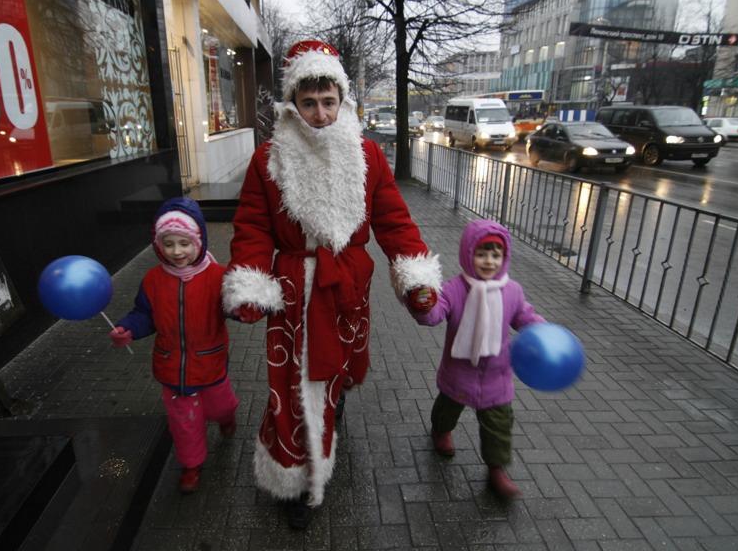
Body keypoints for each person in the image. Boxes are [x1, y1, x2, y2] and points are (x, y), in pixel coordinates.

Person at [222, 39, 441, 529]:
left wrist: (413, 276)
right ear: (292, 104)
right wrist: (251, 282)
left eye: (328, 102)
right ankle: (294, 478)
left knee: (337, 367)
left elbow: (394, 220)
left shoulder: (367, 155)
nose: (319, 114)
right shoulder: (268, 160)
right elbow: (253, 226)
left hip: (348, 287)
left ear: (342, 100)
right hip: (293, 291)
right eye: (308, 103)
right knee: (294, 382)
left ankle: (332, 405)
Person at [109, 197, 238, 494]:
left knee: (220, 405)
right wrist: (128, 328)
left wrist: (245, 307)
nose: (177, 251)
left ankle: (226, 417)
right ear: (158, 245)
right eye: (168, 244)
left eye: (184, 243)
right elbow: (144, 314)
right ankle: (191, 465)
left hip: (211, 362)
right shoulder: (153, 280)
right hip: (172, 368)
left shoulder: (218, 277)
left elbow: (233, 307)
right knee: (184, 420)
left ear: (199, 241)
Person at [408, 218, 544, 500]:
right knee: (447, 409)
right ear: (468, 254)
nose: (489, 261)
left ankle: (497, 470)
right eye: (481, 254)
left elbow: (525, 317)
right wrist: (423, 305)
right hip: (459, 372)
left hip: (497, 377)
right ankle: (440, 431)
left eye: (496, 255)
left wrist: (543, 332)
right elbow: (434, 314)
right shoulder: (454, 289)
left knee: (499, 425)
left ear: (504, 258)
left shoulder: (512, 291)